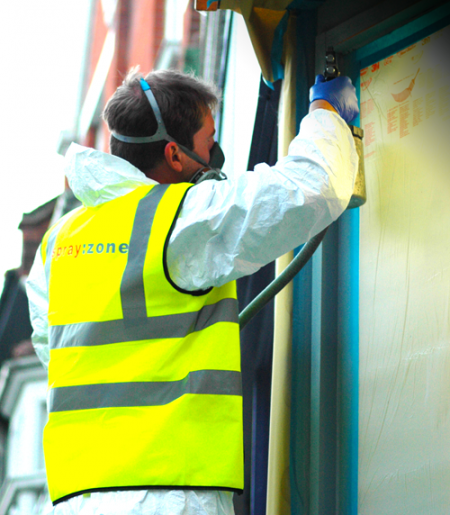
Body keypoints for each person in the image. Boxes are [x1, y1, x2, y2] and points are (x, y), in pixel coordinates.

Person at [27, 68, 359, 515]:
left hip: (79, 500)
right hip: (171, 495)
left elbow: (56, 351)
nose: (214, 157)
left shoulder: (57, 244)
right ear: (175, 155)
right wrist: (326, 114)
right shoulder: (180, 220)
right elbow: (310, 189)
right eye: (209, 144)